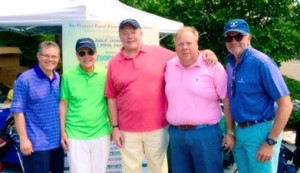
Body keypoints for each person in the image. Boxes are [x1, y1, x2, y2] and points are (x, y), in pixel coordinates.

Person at [105, 18, 218, 173]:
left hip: (157, 127)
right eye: (125, 33)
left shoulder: (158, 53)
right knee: (130, 169)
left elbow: (186, 53)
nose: (129, 36)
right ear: (120, 36)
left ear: (141, 34)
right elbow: (111, 97)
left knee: (158, 169)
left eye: (133, 32)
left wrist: (205, 52)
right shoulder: (113, 63)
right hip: (127, 129)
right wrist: (115, 127)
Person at [224, 19, 293, 173]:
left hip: (261, 131)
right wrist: (230, 132)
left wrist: (270, 141)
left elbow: (286, 104)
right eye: (229, 37)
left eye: (238, 36)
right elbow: (228, 99)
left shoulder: (262, 63)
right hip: (239, 132)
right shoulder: (230, 65)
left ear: (249, 38)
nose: (233, 41)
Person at [165, 26, 234, 173]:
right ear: (175, 47)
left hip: (206, 134)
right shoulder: (169, 65)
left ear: (197, 43)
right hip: (176, 135)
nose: (185, 47)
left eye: (189, 43)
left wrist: (230, 131)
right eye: (180, 44)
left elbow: (226, 99)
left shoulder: (213, 66)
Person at [10, 41, 64, 173]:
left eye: (54, 56)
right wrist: (23, 139)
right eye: (46, 55)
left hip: (57, 143)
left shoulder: (58, 78)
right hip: (35, 145)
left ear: (58, 58)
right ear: (38, 56)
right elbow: (18, 112)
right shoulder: (25, 79)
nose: (50, 59)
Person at [60, 38, 111, 173]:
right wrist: (62, 132)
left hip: (101, 132)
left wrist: (114, 126)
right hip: (75, 134)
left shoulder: (105, 74)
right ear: (77, 56)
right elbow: (63, 104)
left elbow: (110, 102)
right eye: (82, 53)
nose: (86, 56)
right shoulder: (67, 76)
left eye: (90, 52)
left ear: (96, 53)